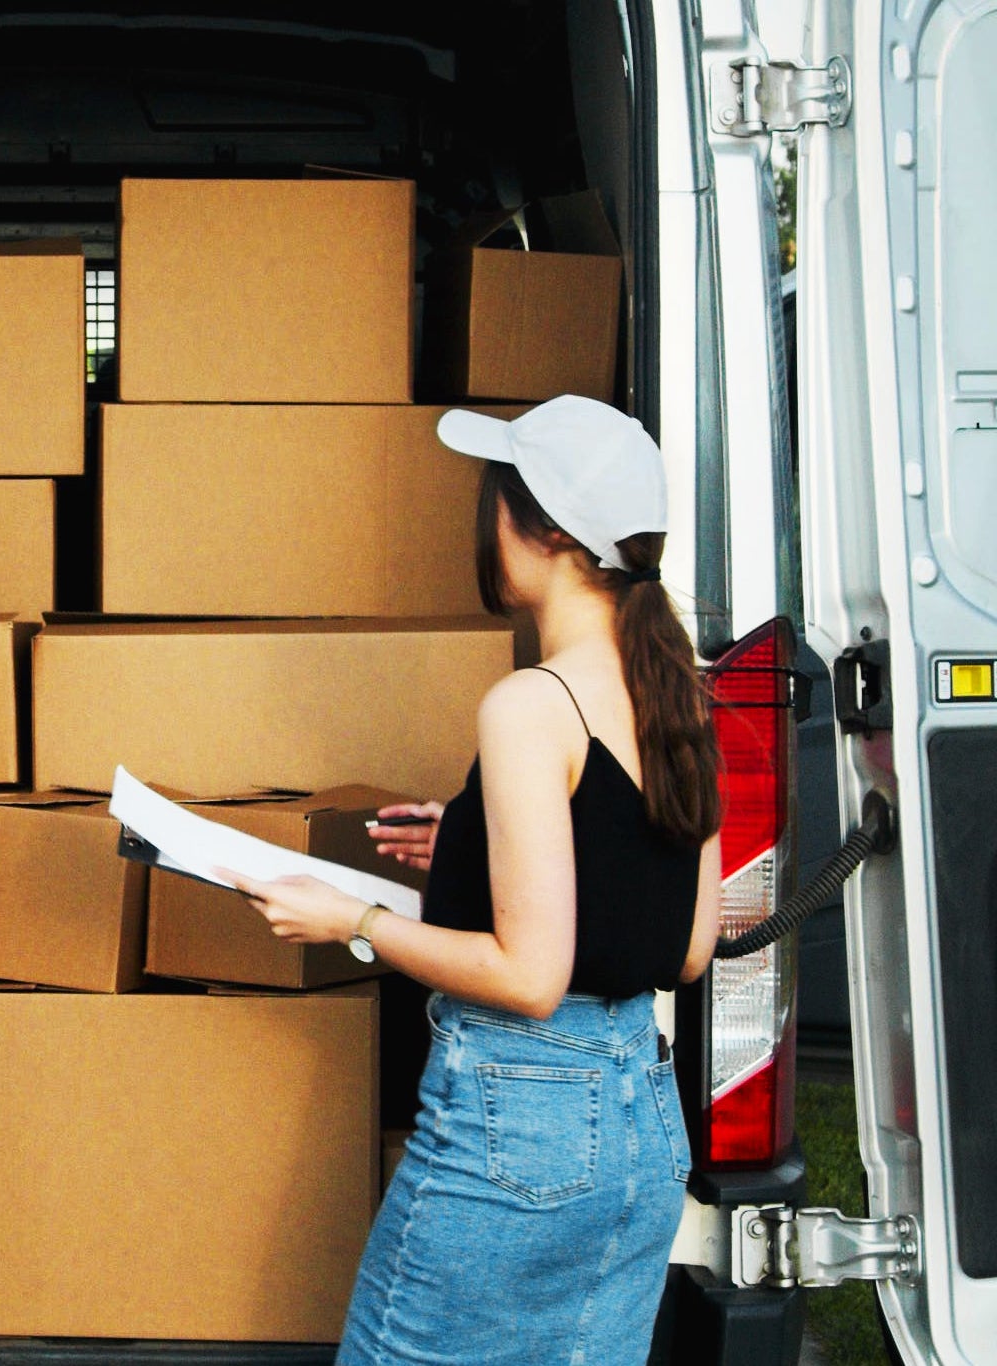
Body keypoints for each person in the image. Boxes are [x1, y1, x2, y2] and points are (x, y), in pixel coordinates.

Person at [223, 396, 722, 1366]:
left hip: (519, 1127)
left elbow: (529, 976)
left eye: (495, 498)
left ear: (539, 531)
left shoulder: (529, 704)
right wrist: (467, 847)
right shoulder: (679, 687)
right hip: (639, 1130)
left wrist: (350, 914)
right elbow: (684, 944)